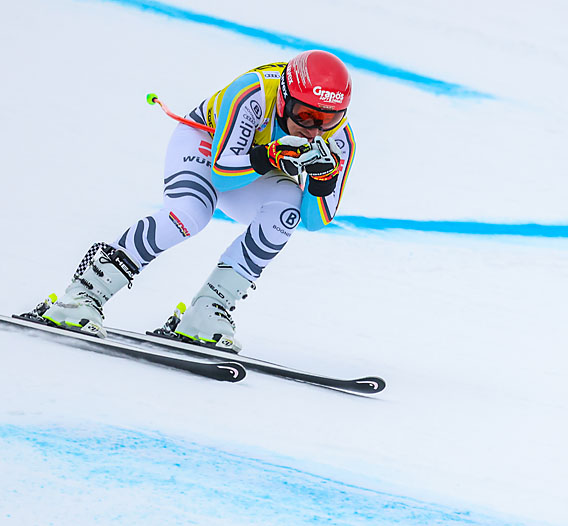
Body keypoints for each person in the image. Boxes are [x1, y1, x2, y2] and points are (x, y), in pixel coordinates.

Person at [32, 49, 355, 353]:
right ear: (284, 100)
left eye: (328, 120)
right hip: (207, 142)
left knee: (285, 211)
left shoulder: (339, 139)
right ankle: (82, 295)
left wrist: (321, 182)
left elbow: (314, 221)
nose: (314, 130)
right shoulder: (253, 93)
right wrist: (269, 154)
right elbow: (223, 175)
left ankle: (208, 310)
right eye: (306, 114)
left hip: (250, 164)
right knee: (189, 215)